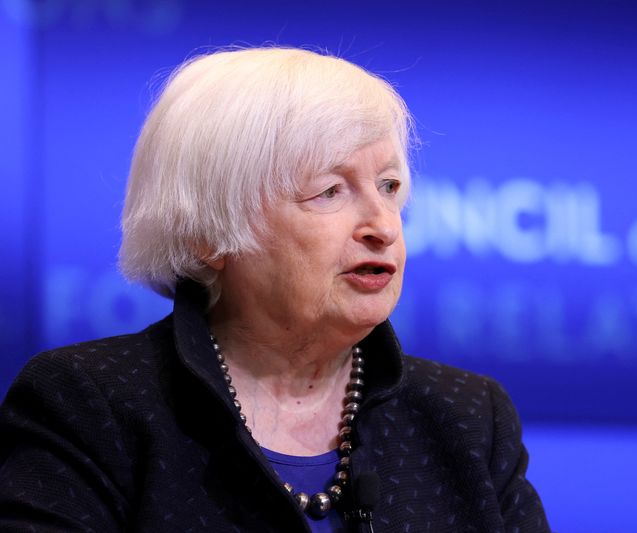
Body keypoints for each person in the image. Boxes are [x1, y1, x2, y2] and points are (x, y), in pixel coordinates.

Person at [0, 47, 550, 532]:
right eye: (330, 191)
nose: (382, 225)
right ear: (209, 235)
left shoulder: (465, 417)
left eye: (388, 186)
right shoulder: (91, 406)